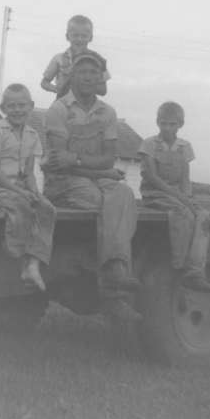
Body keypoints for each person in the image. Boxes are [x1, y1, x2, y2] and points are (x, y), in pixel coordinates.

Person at [43, 51, 139, 306]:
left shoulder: (107, 112)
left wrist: (81, 162)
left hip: (91, 176)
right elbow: (59, 163)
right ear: (72, 76)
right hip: (63, 182)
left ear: (100, 79)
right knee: (96, 198)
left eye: (94, 73)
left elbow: (108, 158)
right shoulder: (58, 109)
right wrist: (99, 170)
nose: (88, 77)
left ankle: (115, 266)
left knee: (124, 194)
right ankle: (105, 273)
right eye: (82, 72)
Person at [0, 83, 56, 291]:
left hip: (19, 187)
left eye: (22, 105)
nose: (17, 110)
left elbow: (29, 173)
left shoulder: (32, 135)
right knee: (21, 204)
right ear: (4, 108)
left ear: (30, 106)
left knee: (46, 208)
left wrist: (35, 193)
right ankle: (16, 252)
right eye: (12, 106)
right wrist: (22, 193)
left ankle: (33, 264)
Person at [138, 101, 210, 292]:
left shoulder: (184, 147)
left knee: (203, 215)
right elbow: (152, 178)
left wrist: (188, 197)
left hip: (178, 194)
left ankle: (195, 270)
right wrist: (181, 199)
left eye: (172, 124)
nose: (167, 128)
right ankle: (180, 265)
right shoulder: (149, 145)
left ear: (180, 124)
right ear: (157, 122)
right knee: (182, 214)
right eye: (163, 123)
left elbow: (185, 178)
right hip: (155, 193)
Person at [40, 15, 110, 97]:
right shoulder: (58, 59)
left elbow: (103, 91)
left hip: (86, 106)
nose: (79, 39)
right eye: (75, 35)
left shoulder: (99, 60)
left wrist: (86, 86)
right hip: (63, 104)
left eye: (84, 36)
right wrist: (57, 89)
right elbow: (44, 83)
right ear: (67, 36)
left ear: (90, 38)